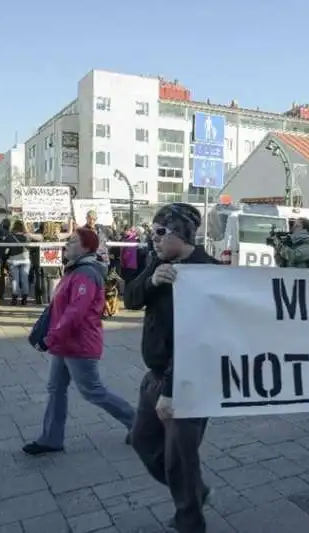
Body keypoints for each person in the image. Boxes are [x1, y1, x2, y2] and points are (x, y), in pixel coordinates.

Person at [124, 203, 220, 533]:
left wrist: (171, 389)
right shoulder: (158, 261)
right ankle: (195, 492)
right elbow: (130, 299)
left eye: (161, 233)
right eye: (153, 232)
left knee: (180, 459)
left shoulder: (207, 272)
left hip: (186, 381)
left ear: (182, 234)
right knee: (142, 441)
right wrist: (151, 281)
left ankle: (190, 521)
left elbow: (201, 340)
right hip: (154, 376)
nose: (154, 239)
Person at [22, 227, 135, 456]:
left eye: (72, 241)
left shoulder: (86, 273)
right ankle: (51, 439)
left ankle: (141, 424)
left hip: (79, 344)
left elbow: (75, 312)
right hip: (65, 342)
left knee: (92, 391)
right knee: (55, 388)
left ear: (86, 248)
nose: (67, 245)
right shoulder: (74, 270)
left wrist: (50, 338)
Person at [4, 220, 34, 305]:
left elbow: (6, 249)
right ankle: (24, 298)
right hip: (25, 259)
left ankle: (14, 298)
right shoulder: (27, 237)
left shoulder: (10, 237)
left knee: (15, 279)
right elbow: (30, 248)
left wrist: (6, 258)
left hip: (13, 260)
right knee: (25, 279)